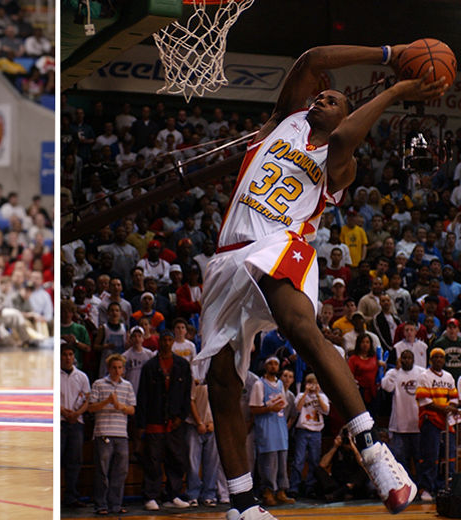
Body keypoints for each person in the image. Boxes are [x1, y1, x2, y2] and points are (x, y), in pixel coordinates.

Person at [195, 42, 445, 518]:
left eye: (334, 103)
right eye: (321, 99)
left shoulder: (339, 163)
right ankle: (243, 505)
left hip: (281, 242)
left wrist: (396, 90)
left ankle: (373, 450)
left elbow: (349, 137)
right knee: (222, 381)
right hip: (228, 256)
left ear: (346, 117)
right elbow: (310, 60)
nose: (322, 101)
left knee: (298, 322)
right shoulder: (281, 123)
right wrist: (388, 54)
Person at [136, 333, 193, 511]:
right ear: (159, 343)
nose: (167, 343)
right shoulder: (149, 366)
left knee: (177, 459)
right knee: (153, 460)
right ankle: (151, 496)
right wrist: (141, 424)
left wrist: (181, 417)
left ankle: (173, 495)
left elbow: (186, 395)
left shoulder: (182, 365)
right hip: (154, 420)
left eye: (169, 340)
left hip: (175, 421)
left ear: (173, 343)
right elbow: (143, 396)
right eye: (164, 340)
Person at [88, 354, 136, 515]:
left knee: (120, 472)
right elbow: (91, 407)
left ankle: (116, 504)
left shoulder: (127, 386)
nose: (117, 370)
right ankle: (101, 504)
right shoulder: (99, 384)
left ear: (123, 369)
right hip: (103, 432)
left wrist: (119, 405)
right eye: (114, 367)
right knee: (102, 471)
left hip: (121, 433)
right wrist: (107, 401)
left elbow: (132, 409)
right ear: (108, 368)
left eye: (119, 367)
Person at [249, 357, 295, 506]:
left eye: (276, 363)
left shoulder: (280, 384)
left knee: (282, 461)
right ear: (265, 366)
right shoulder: (259, 384)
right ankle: (267, 491)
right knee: (268, 462)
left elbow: (284, 406)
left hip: (280, 427)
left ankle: (281, 491)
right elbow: (254, 408)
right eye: (270, 363)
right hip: (267, 428)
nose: (274, 366)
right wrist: (269, 408)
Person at [415, 348, 458, 501]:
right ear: (431, 360)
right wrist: (444, 409)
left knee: (448, 455)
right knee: (430, 455)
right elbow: (425, 401)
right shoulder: (424, 376)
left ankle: (444, 486)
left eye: (441, 357)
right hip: (431, 420)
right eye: (436, 357)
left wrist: (450, 408)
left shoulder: (449, 376)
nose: (439, 360)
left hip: (447, 422)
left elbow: (454, 398)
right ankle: (426, 488)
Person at [381, 349, 424, 475]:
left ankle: (420, 487)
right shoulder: (393, 373)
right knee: (399, 461)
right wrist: (396, 371)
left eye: (409, 358)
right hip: (399, 426)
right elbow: (386, 387)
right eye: (404, 358)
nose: (406, 360)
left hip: (417, 426)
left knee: (419, 459)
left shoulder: (421, 372)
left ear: (413, 359)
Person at [287, 374, 329, 498]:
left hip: (316, 432)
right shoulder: (300, 396)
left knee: (314, 460)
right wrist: (305, 393)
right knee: (299, 460)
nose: (312, 386)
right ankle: (294, 486)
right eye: (310, 383)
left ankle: (310, 487)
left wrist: (317, 394)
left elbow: (326, 410)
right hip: (303, 431)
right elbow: (297, 409)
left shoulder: (322, 396)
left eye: (314, 383)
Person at [60, 343, 90, 508]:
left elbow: (87, 399)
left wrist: (77, 413)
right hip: (60, 421)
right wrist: (63, 411)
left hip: (76, 422)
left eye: (71, 354)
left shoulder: (82, 377)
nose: (68, 357)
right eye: (65, 354)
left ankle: (71, 496)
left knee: (75, 462)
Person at [186, 377, 219, 507]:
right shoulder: (197, 379)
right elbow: (191, 401)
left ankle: (209, 495)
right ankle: (192, 495)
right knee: (193, 462)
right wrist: (199, 422)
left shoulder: (218, 382)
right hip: (194, 425)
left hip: (212, 426)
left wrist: (214, 422)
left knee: (212, 463)